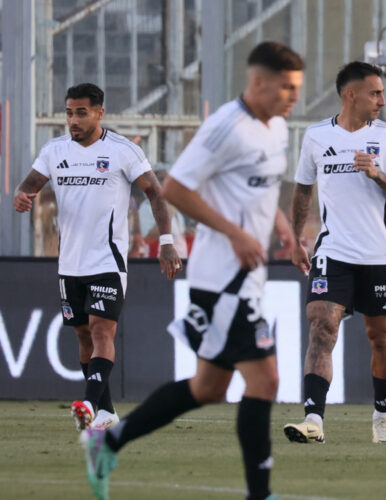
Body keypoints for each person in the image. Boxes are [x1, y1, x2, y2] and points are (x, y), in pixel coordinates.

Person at [76, 41, 304, 500]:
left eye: (297, 88)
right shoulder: (226, 127)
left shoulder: (277, 128)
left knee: (208, 386)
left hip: (245, 280)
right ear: (258, 82)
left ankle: (109, 440)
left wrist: (283, 229)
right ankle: (260, 493)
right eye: (286, 87)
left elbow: (259, 190)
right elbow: (175, 189)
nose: (293, 97)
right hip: (221, 281)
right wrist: (235, 234)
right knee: (266, 380)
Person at [13, 83, 181, 434]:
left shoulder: (122, 151)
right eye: (69, 112)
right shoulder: (54, 150)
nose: (73, 120)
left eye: (81, 113)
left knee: (103, 329)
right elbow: (28, 184)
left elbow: (156, 194)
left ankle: (87, 404)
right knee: (84, 337)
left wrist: (166, 241)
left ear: (100, 113)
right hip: (69, 264)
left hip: (108, 260)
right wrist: (21, 196)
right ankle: (105, 412)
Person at [285, 61, 386, 445]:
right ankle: (313, 420)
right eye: (375, 93)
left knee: (380, 339)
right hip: (333, 251)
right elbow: (303, 190)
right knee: (321, 327)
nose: (382, 100)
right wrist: (295, 239)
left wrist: (379, 175)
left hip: (378, 255)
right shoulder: (315, 137)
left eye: (382, 93)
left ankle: (382, 416)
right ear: (350, 94)